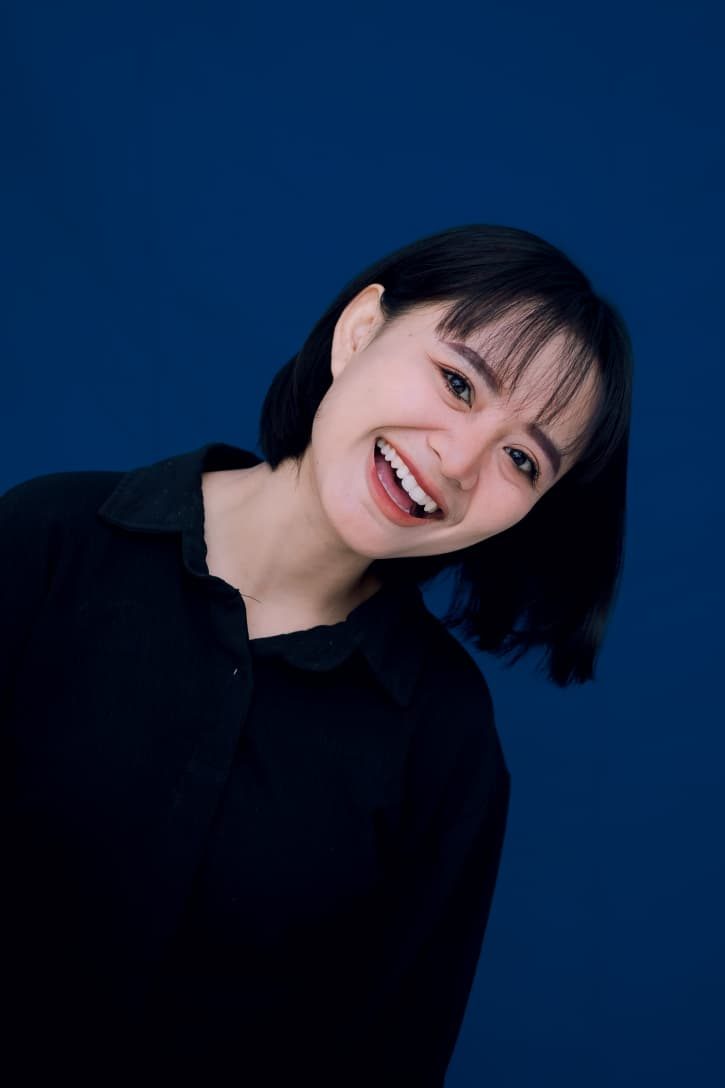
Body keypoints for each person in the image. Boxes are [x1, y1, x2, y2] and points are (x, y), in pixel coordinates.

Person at [0, 224, 633, 1086]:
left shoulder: (444, 745)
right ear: (360, 330)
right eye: (457, 382)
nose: (456, 461)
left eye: (521, 460)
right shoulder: (48, 542)